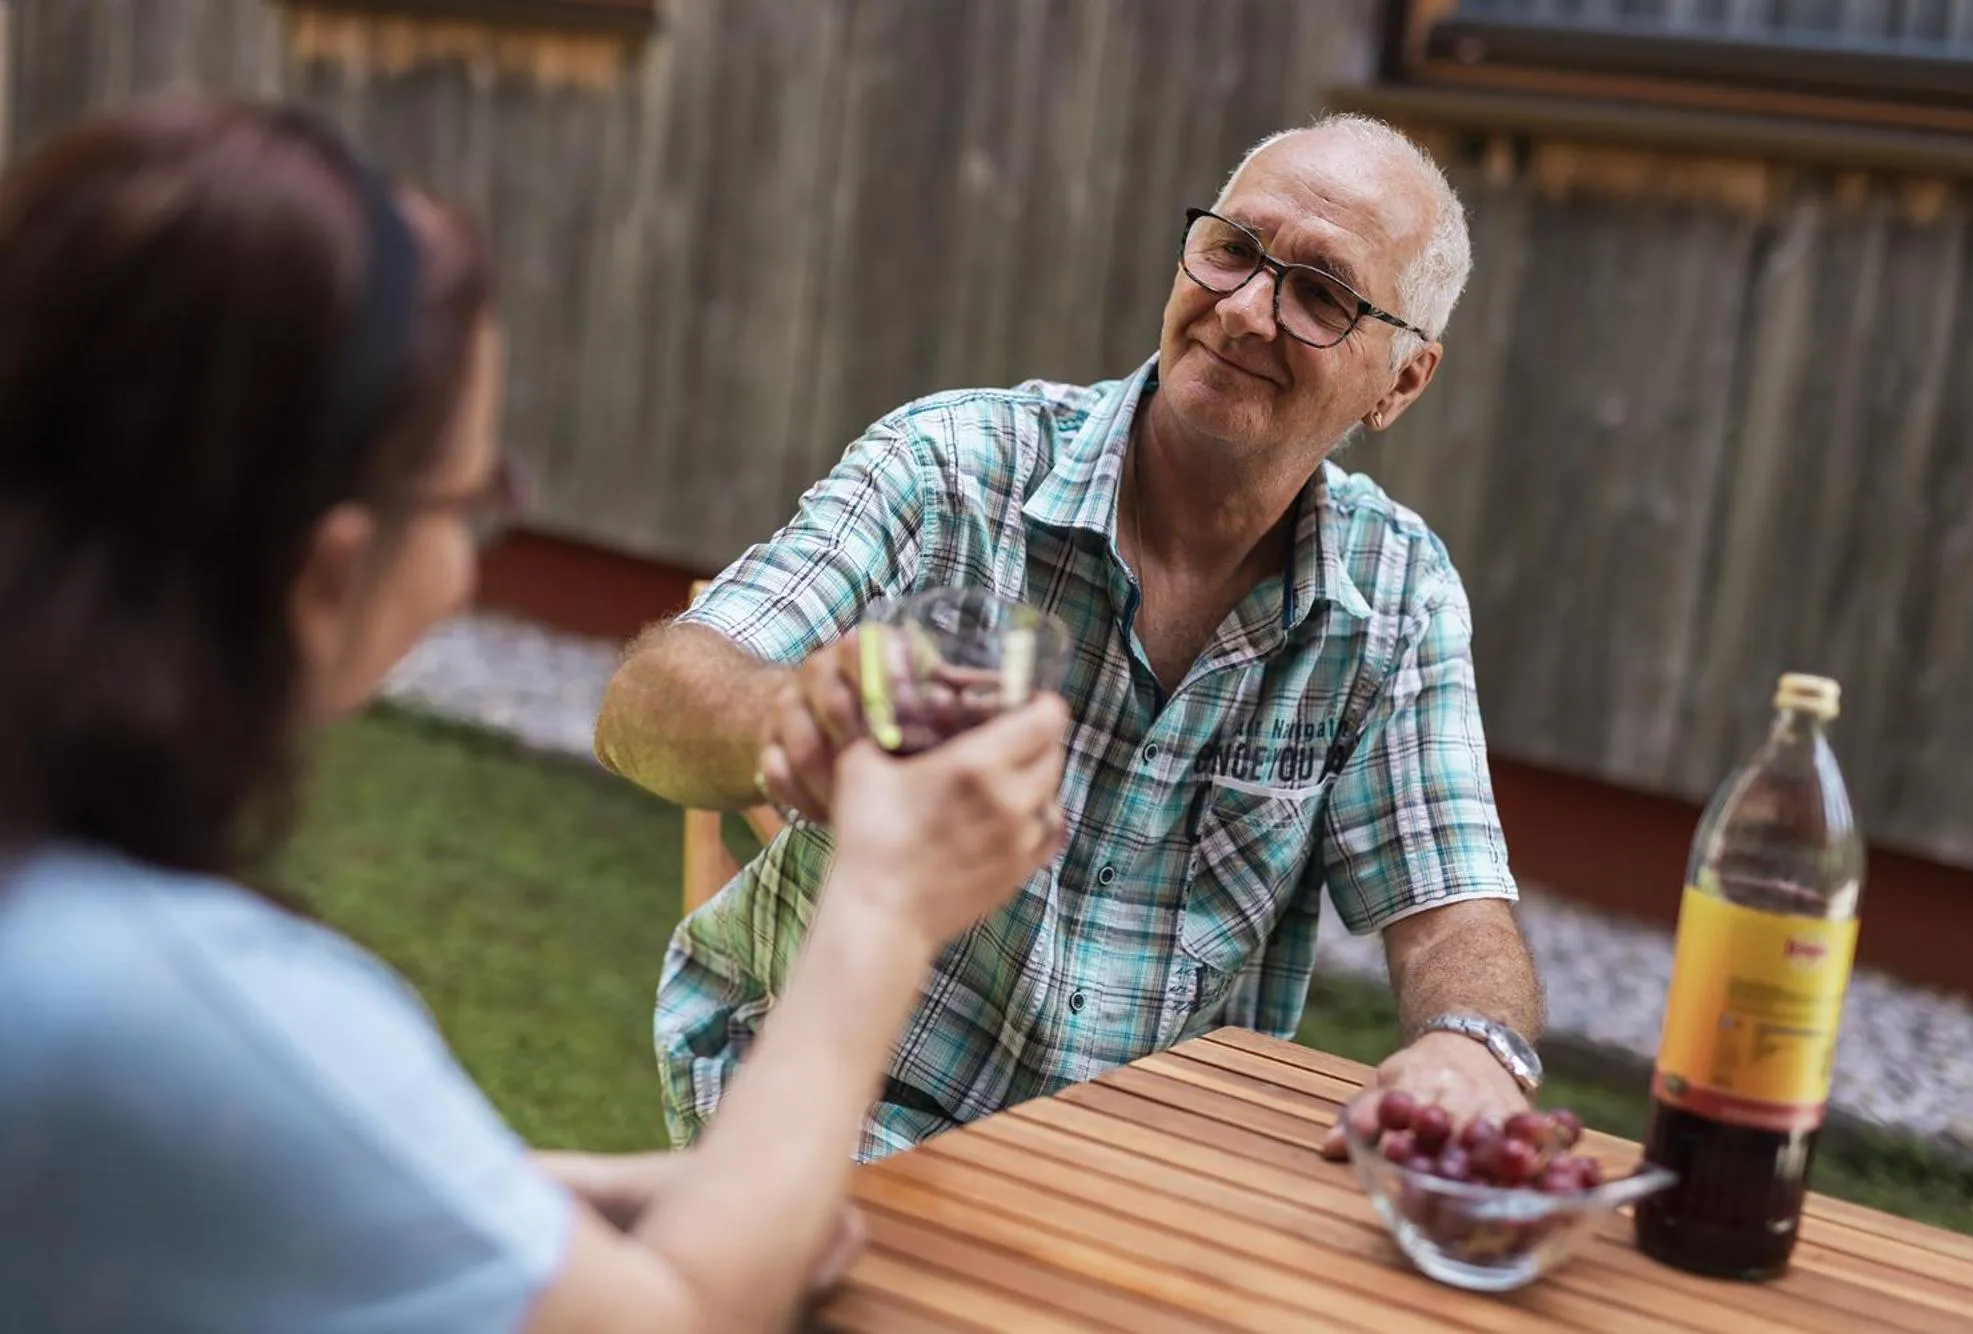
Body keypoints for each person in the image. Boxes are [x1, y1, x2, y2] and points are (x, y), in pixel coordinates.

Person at [0, 93, 1069, 1334]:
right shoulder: (180, 995)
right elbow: (682, 1319)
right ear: (330, 572)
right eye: (475, 500)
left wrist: (547, 1197)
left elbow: (229, 1170)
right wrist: (886, 897)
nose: (465, 566)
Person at [598, 113, 1546, 1163]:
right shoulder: (953, 463)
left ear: (1401, 382)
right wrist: (787, 714)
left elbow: (1453, 910)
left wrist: (1471, 1048)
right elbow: (648, 702)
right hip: (842, 1099)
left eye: (1319, 292)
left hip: (1135, 1162)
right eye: (1232, 248)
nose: (1243, 310)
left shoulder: (1394, 592)